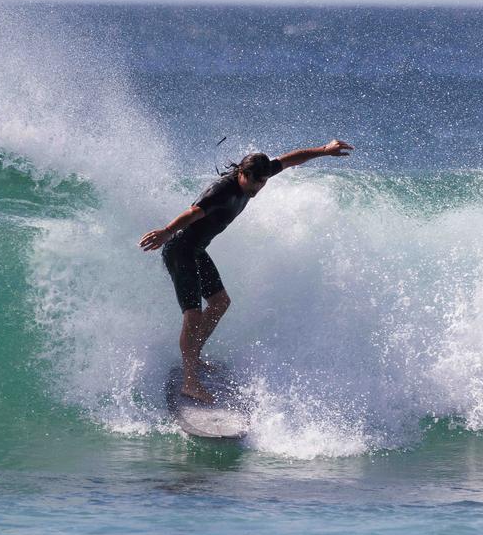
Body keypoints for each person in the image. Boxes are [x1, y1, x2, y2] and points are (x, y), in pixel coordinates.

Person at [139, 139, 354, 403]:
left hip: (195, 250)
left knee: (220, 303)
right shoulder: (222, 191)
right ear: (243, 173)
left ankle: (194, 357)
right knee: (193, 316)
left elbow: (290, 159)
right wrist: (166, 231)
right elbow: (193, 212)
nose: (258, 188)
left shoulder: (258, 173)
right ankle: (190, 382)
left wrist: (324, 151)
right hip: (180, 249)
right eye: (255, 182)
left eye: (263, 182)